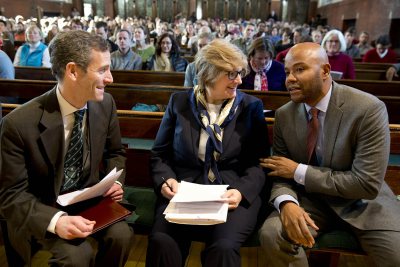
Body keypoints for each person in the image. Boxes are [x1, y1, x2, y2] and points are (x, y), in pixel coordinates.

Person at [258, 42, 400, 267]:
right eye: (287, 72)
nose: (290, 79)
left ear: (325, 71)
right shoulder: (284, 115)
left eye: (300, 69)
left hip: (363, 203)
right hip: (310, 201)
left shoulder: (368, 109)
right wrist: (286, 203)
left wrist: (298, 171)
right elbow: (279, 172)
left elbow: (366, 184)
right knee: (273, 233)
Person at [0, 30, 133, 266]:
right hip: (43, 207)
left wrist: (115, 182)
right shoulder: (17, 124)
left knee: (121, 236)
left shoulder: (105, 104)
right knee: (76, 256)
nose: (110, 78)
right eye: (102, 70)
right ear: (72, 71)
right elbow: (11, 195)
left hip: (88, 201)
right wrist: (56, 220)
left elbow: (116, 153)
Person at [146, 38, 269, 267]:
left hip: (231, 191)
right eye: (232, 74)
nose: (240, 80)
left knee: (223, 247)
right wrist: (166, 180)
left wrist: (241, 192)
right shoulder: (180, 102)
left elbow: (258, 162)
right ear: (209, 74)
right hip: (184, 190)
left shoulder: (251, 107)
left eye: (240, 73)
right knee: (162, 240)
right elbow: (159, 155)